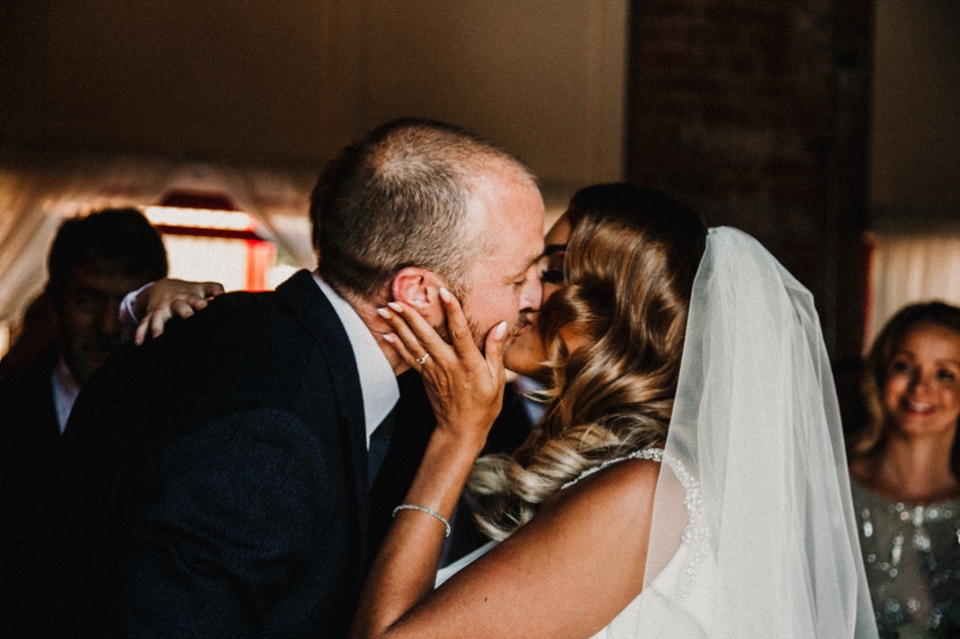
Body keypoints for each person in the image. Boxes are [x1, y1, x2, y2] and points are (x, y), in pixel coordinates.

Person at [52, 118, 545, 638]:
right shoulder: (265, 429)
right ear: (419, 293)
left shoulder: (259, 333)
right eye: (519, 278)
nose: (534, 300)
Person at [349, 184, 878, 638]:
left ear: (623, 309)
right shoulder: (622, 472)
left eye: (552, 270)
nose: (526, 294)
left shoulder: (640, 494)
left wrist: (456, 437)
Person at [0, 207, 173, 637]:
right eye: (89, 300)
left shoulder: (177, 425)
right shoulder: (7, 411)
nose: (110, 324)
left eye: (131, 303)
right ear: (56, 302)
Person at [848, 302, 960, 637]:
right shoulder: (832, 487)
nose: (920, 387)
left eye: (945, 374)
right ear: (881, 372)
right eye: (904, 365)